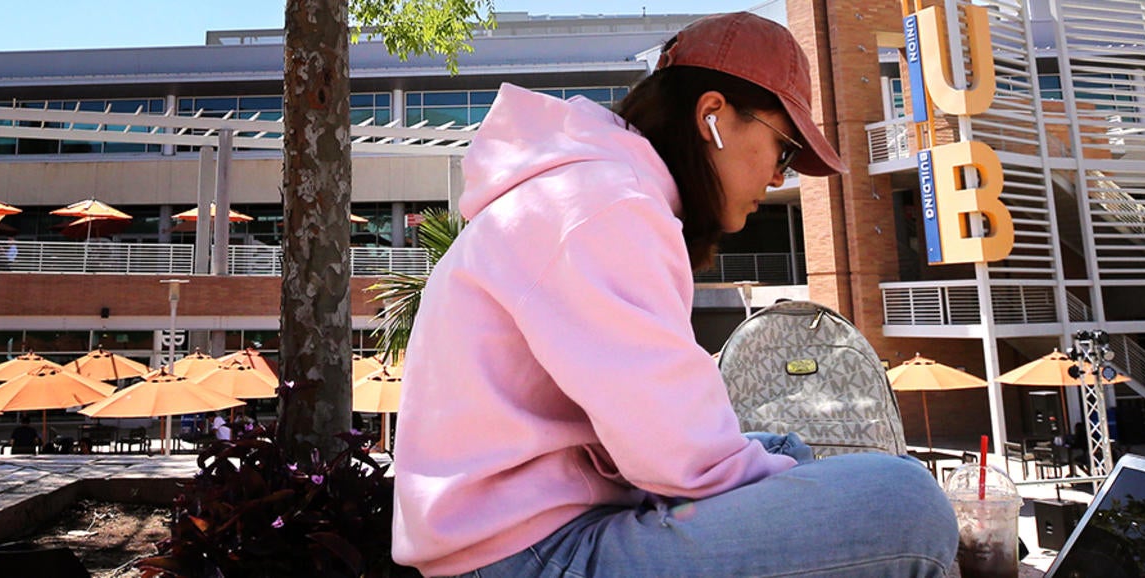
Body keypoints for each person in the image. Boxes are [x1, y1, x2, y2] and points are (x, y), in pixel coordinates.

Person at [390, 13, 956, 578]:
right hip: (528, 555)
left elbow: (661, 437)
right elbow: (678, 457)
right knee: (906, 504)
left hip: (525, 529)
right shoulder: (606, 205)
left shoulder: (589, 190)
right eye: (783, 149)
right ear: (712, 116)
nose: (781, 178)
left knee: (785, 448)